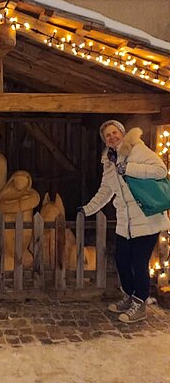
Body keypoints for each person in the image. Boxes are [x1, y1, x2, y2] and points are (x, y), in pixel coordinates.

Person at [79, 120, 170, 323]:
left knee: (139, 263)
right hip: (125, 222)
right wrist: (88, 209)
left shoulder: (138, 150)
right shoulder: (109, 160)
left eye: (114, 133)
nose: (112, 137)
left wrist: (129, 168)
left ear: (122, 133)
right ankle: (129, 297)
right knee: (121, 260)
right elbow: (106, 191)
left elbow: (160, 171)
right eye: (107, 136)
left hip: (146, 218)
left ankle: (140, 303)